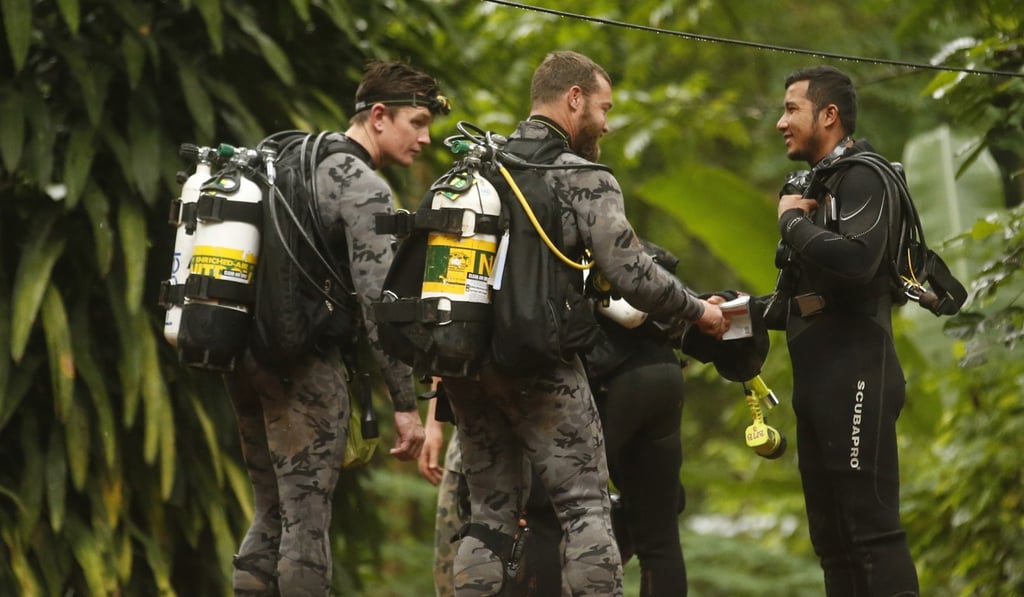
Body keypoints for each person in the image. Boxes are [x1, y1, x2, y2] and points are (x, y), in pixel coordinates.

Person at [438, 50, 727, 597]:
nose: (607, 123)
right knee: (583, 506)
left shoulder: (476, 170)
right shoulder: (579, 176)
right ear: (574, 99)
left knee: (490, 515)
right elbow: (631, 273)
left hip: (468, 367)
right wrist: (699, 310)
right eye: (603, 107)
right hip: (539, 364)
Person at [224, 59, 447, 596]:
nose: (426, 138)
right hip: (303, 366)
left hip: (246, 358)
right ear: (377, 116)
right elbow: (381, 303)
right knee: (306, 523)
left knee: (271, 511)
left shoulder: (293, 159)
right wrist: (405, 404)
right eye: (416, 122)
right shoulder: (362, 185)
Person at [772, 65, 919, 595]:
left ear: (828, 115)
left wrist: (791, 222)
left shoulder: (863, 175)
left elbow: (859, 261)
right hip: (817, 375)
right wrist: (725, 310)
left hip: (858, 368)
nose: (781, 122)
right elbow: (804, 296)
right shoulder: (818, 184)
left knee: (873, 533)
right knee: (831, 542)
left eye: (792, 109)